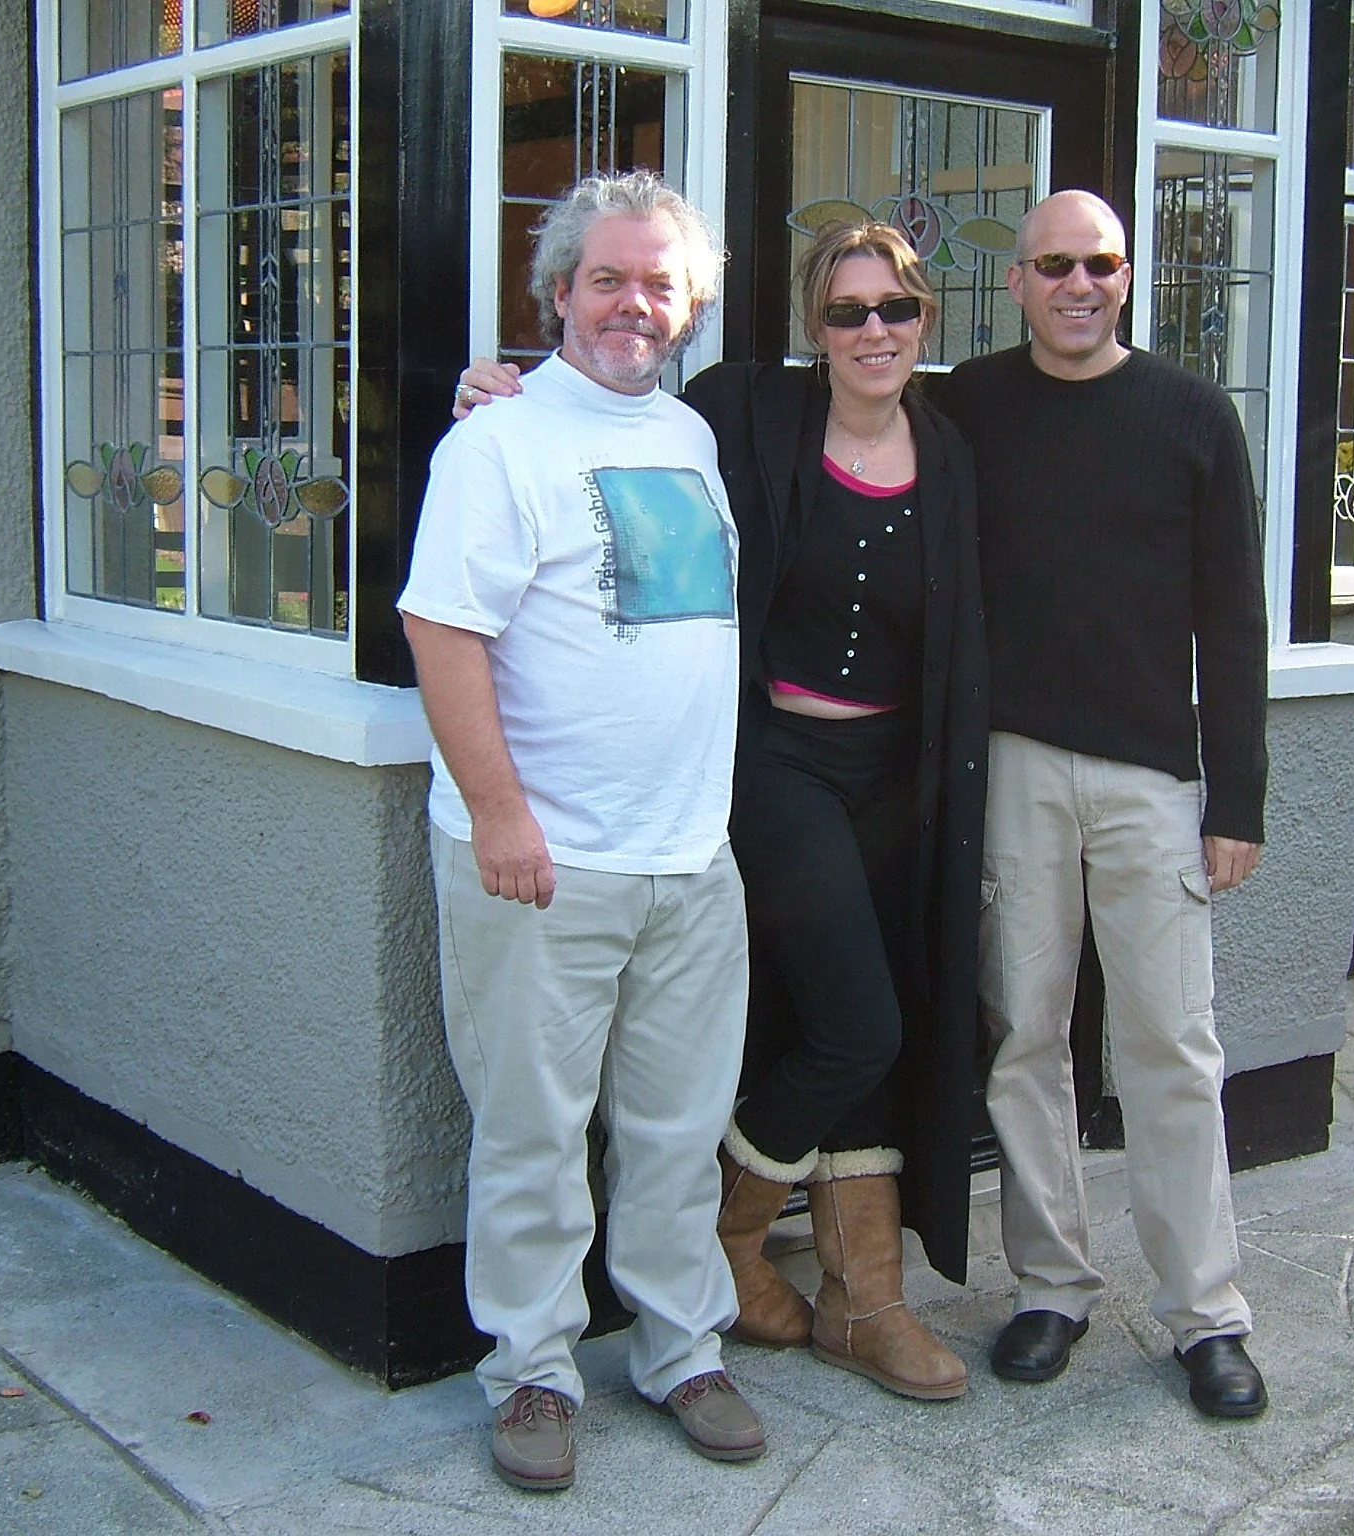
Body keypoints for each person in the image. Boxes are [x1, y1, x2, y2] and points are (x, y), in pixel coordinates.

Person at [456, 222, 990, 1403]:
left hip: (895, 779)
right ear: (812, 329)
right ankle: (732, 1241)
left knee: (869, 1007)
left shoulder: (949, 451)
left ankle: (865, 1299)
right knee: (858, 1022)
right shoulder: (741, 414)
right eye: (846, 312)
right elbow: (599, 381)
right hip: (774, 769)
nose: (872, 332)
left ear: (924, 324)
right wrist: (491, 376)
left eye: (894, 310)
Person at [399, 170, 765, 1495]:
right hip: (541, 864)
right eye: (606, 279)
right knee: (532, 1132)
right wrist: (500, 813)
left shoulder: (691, 437)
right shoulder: (497, 441)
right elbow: (442, 629)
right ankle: (536, 1372)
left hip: (686, 859)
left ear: (689, 307)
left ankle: (680, 1348)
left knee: (676, 1128)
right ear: (557, 294)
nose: (633, 303)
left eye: (658, 283)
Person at [934, 189, 1271, 1417]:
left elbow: (1233, 618)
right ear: (1014, 280)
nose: (1078, 285)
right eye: (1053, 265)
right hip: (1014, 766)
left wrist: (1235, 797)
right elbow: (828, 409)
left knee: (1169, 1047)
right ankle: (1050, 1287)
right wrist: (525, 384)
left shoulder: (1190, 416)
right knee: (1023, 1032)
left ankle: (1204, 1316)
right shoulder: (963, 404)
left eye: (1100, 265)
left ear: (1126, 278)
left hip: (1147, 776)